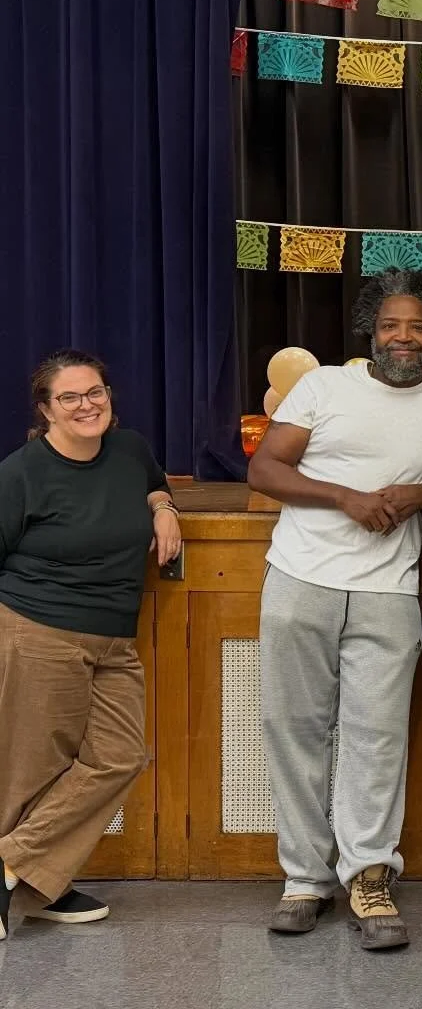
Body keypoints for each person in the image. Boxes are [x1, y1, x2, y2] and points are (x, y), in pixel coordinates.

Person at [247, 270, 422, 950]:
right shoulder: (324, 387)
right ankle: (304, 880)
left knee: (377, 739)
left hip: (389, 589)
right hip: (300, 578)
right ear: (370, 332)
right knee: (295, 731)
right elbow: (265, 470)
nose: (404, 338)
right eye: (391, 326)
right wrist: (346, 498)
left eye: (417, 327)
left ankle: (369, 879)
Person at [0, 351, 181, 939]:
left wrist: (164, 508)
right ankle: (35, 882)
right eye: (70, 397)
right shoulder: (21, 473)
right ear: (46, 410)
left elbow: (153, 483)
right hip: (38, 629)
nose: (86, 405)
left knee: (119, 757)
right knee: (30, 769)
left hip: (114, 638)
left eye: (95, 392)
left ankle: (15, 867)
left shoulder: (129, 449)